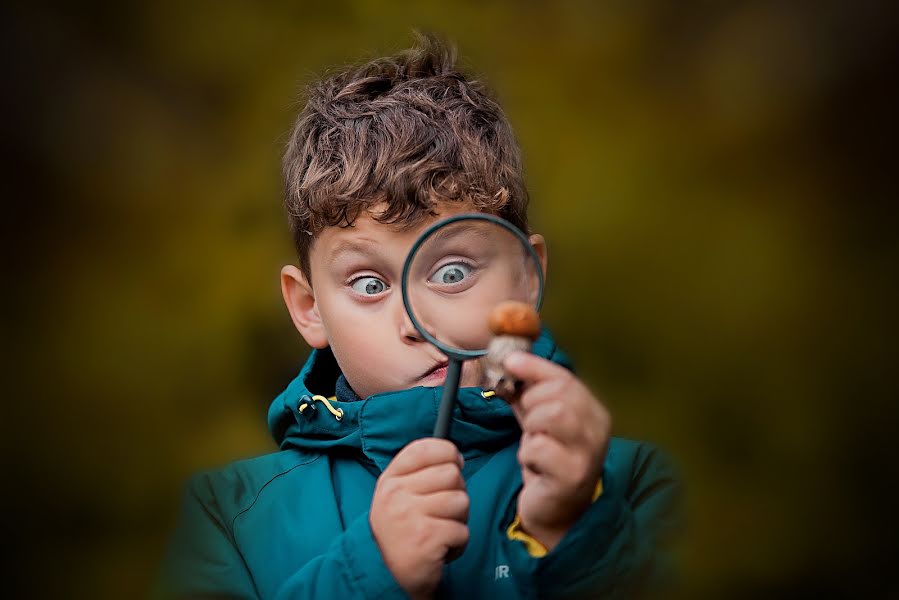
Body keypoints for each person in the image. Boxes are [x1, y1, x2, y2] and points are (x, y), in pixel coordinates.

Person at [156, 33, 680, 599]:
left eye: (453, 272)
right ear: (309, 309)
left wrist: (573, 532)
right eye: (369, 283)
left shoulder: (625, 484)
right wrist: (370, 572)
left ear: (526, 278)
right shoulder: (230, 517)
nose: (414, 321)